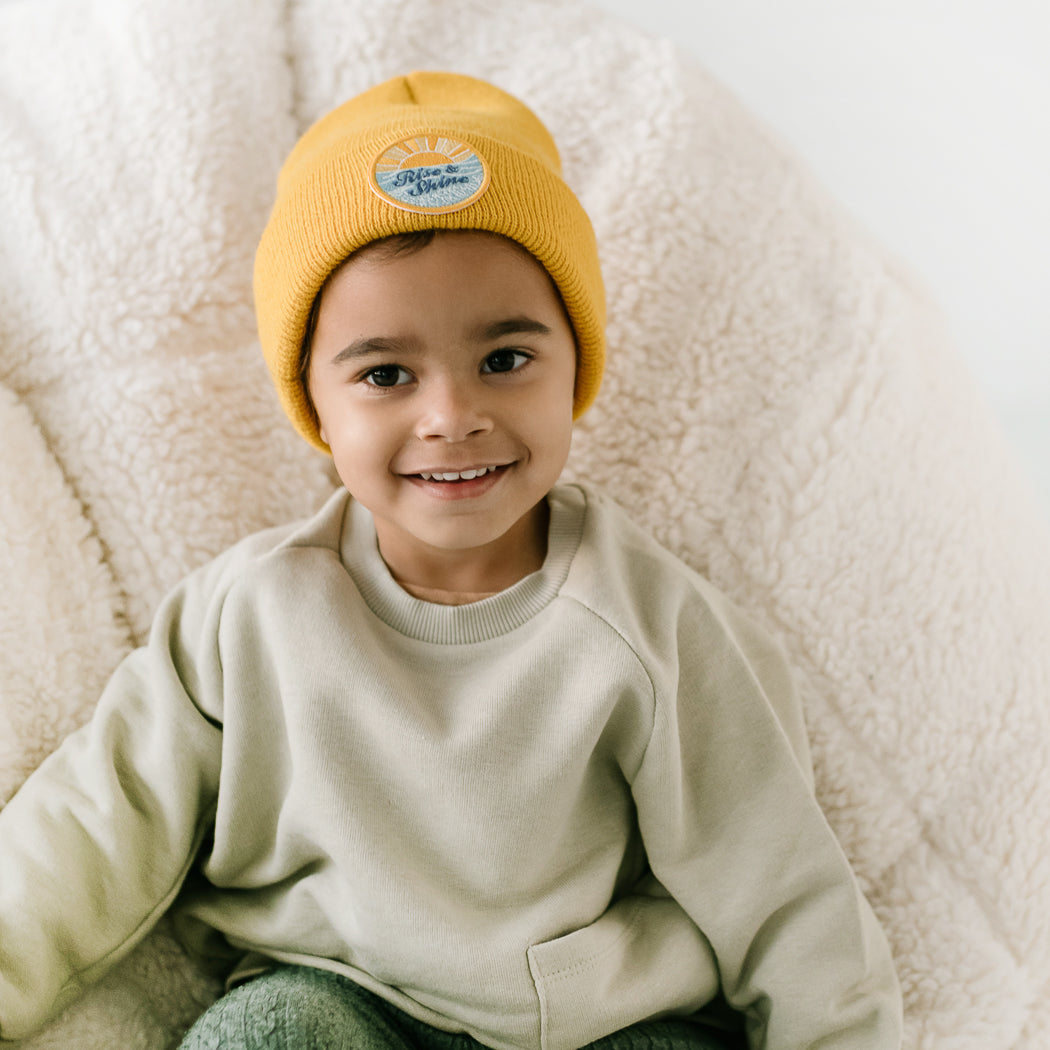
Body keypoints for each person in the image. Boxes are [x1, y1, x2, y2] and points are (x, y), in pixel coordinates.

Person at [0, 72, 903, 1050]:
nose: (451, 416)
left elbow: (776, 880)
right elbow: (100, 820)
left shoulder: (651, 627)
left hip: (595, 1026)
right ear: (316, 403)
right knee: (260, 1038)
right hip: (334, 995)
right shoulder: (252, 616)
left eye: (506, 359)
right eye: (386, 375)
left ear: (576, 365)